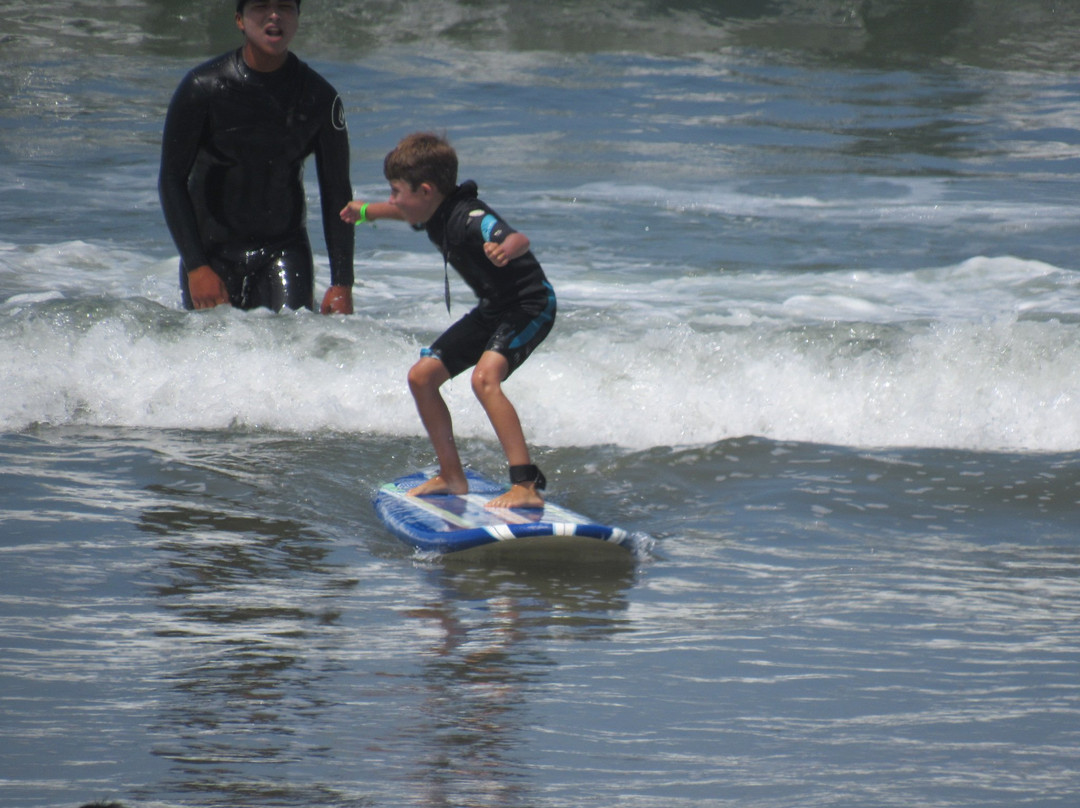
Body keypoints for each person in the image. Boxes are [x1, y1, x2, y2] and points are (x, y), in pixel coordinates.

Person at [341, 133, 556, 509]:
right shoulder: (433, 211)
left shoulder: (471, 218)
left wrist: (503, 249)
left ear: (425, 190)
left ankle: (525, 485)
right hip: (493, 308)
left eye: (395, 191)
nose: (392, 199)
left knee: (484, 379)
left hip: (529, 305)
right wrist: (366, 212)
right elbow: (403, 211)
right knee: (421, 377)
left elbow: (517, 238)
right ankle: (452, 476)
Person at [159, 0, 354, 314]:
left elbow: (338, 194)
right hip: (212, 253)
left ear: (298, 18)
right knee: (211, 350)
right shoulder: (201, 89)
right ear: (239, 19)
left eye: (286, 7)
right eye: (261, 6)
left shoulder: (320, 98)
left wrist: (342, 283)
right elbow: (171, 179)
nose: (274, 15)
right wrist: (196, 266)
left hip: (284, 249)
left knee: (292, 342)